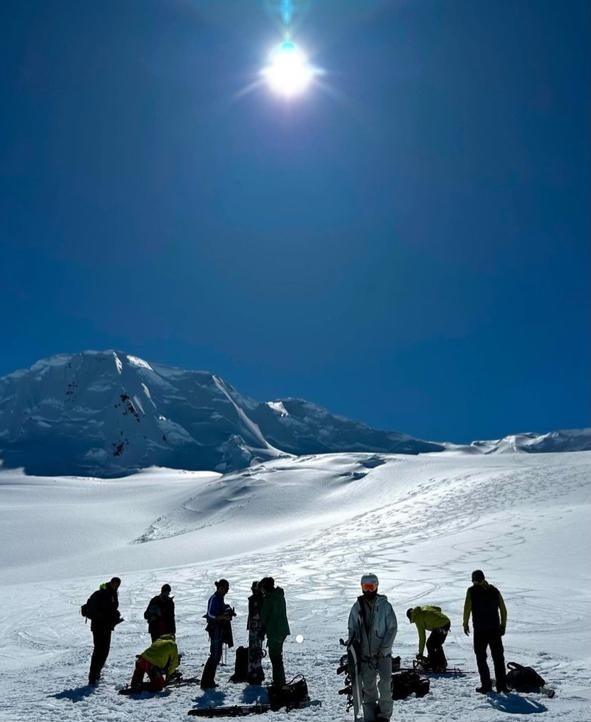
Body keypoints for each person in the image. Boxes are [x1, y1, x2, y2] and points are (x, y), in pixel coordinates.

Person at [348, 573, 397, 722]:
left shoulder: (385, 607)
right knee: (368, 688)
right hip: (365, 656)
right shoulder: (357, 607)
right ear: (362, 588)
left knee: (385, 685)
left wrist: (385, 649)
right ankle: (369, 715)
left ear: (377, 587)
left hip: (383, 654)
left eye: (371, 587)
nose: (368, 591)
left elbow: (392, 628)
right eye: (365, 587)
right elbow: (352, 629)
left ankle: (384, 715)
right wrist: (354, 649)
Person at [463, 569, 508, 694]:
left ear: (474, 580)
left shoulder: (471, 591)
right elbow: (503, 610)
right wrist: (503, 625)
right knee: (498, 658)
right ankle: (502, 686)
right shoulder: (494, 590)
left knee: (481, 658)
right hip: (495, 630)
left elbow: (467, 608)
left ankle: (486, 685)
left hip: (480, 630)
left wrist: (465, 624)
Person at [86, 576, 123, 685]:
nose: (116, 586)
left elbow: (111, 609)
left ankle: (96, 673)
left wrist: (115, 616)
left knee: (104, 651)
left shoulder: (113, 593)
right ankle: (93, 676)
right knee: (99, 651)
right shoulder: (103, 593)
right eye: (114, 583)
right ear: (111, 583)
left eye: (118, 584)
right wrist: (108, 617)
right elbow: (102, 611)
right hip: (99, 627)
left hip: (106, 627)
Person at [201, 579, 235, 690]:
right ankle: (206, 681)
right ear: (220, 587)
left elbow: (220, 608)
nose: (226, 591)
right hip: (214, 629)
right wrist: (222, 617)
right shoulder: (214, 598)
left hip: (219, 629)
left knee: (217, 654)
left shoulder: (219, 598)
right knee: (214, 655)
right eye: (226, 588)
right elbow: (210, 613)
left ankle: (209, 680)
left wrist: (227, 608)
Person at [259, 577, 290, 686]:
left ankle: (279, 682)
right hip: (282, 630)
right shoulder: (279, 596)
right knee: (278, 656)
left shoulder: (269, 599)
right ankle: (279, 680)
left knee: (275, 657)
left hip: (274, 631)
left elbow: (264, 616)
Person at [406, 605, 451, 671]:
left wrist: (420, 653)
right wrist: (435, 618)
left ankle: (435, 664)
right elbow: (438, 609)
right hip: (446, 622)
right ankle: (441, 663)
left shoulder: (417, 619)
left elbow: (422, 638)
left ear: (410, 617)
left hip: (439, 626)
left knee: (430, 644)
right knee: (436, 644)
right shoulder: (424, 607)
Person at [247, 580, 265, 684]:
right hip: (257, 628)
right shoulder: (257, 600)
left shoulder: (254, 599)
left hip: (255, 628)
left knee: (255, 650)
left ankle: (254, 671)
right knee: (256, 651)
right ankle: (255, 671)